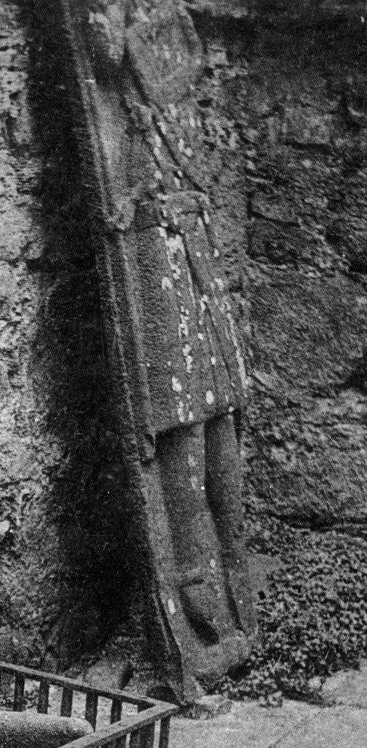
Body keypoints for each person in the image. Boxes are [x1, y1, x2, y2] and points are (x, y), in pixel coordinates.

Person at [58, 0, 256, 688]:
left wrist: (126, 42)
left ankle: (230, 597)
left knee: (214, 426)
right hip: (156, 262)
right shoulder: (131, 125)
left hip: (188, 259)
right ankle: (194, 602)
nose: (95, 26)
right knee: (179, 428)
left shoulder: (173, 102)